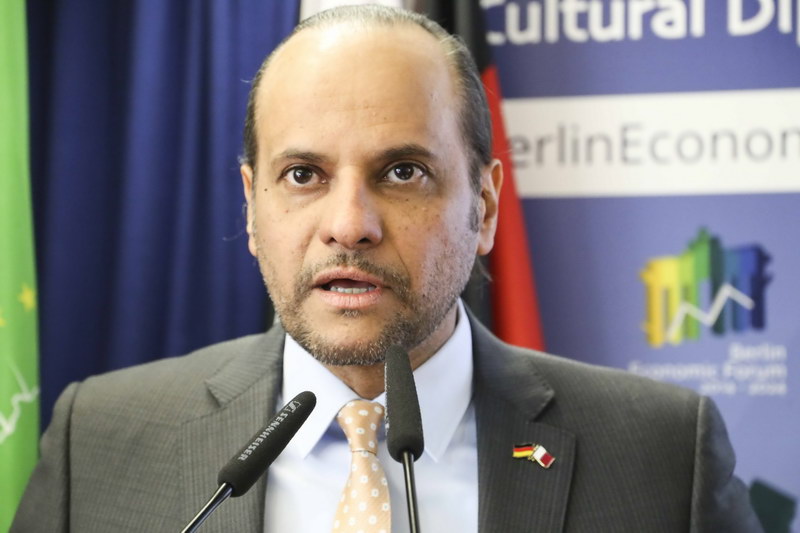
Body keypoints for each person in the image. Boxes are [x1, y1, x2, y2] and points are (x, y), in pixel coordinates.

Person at [12, 5, 762, 532]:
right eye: (303, 175)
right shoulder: (101, 441)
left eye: (403, 172)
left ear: (485, 208)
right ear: (252, 208)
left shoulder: (662, 453)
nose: (349, 225)